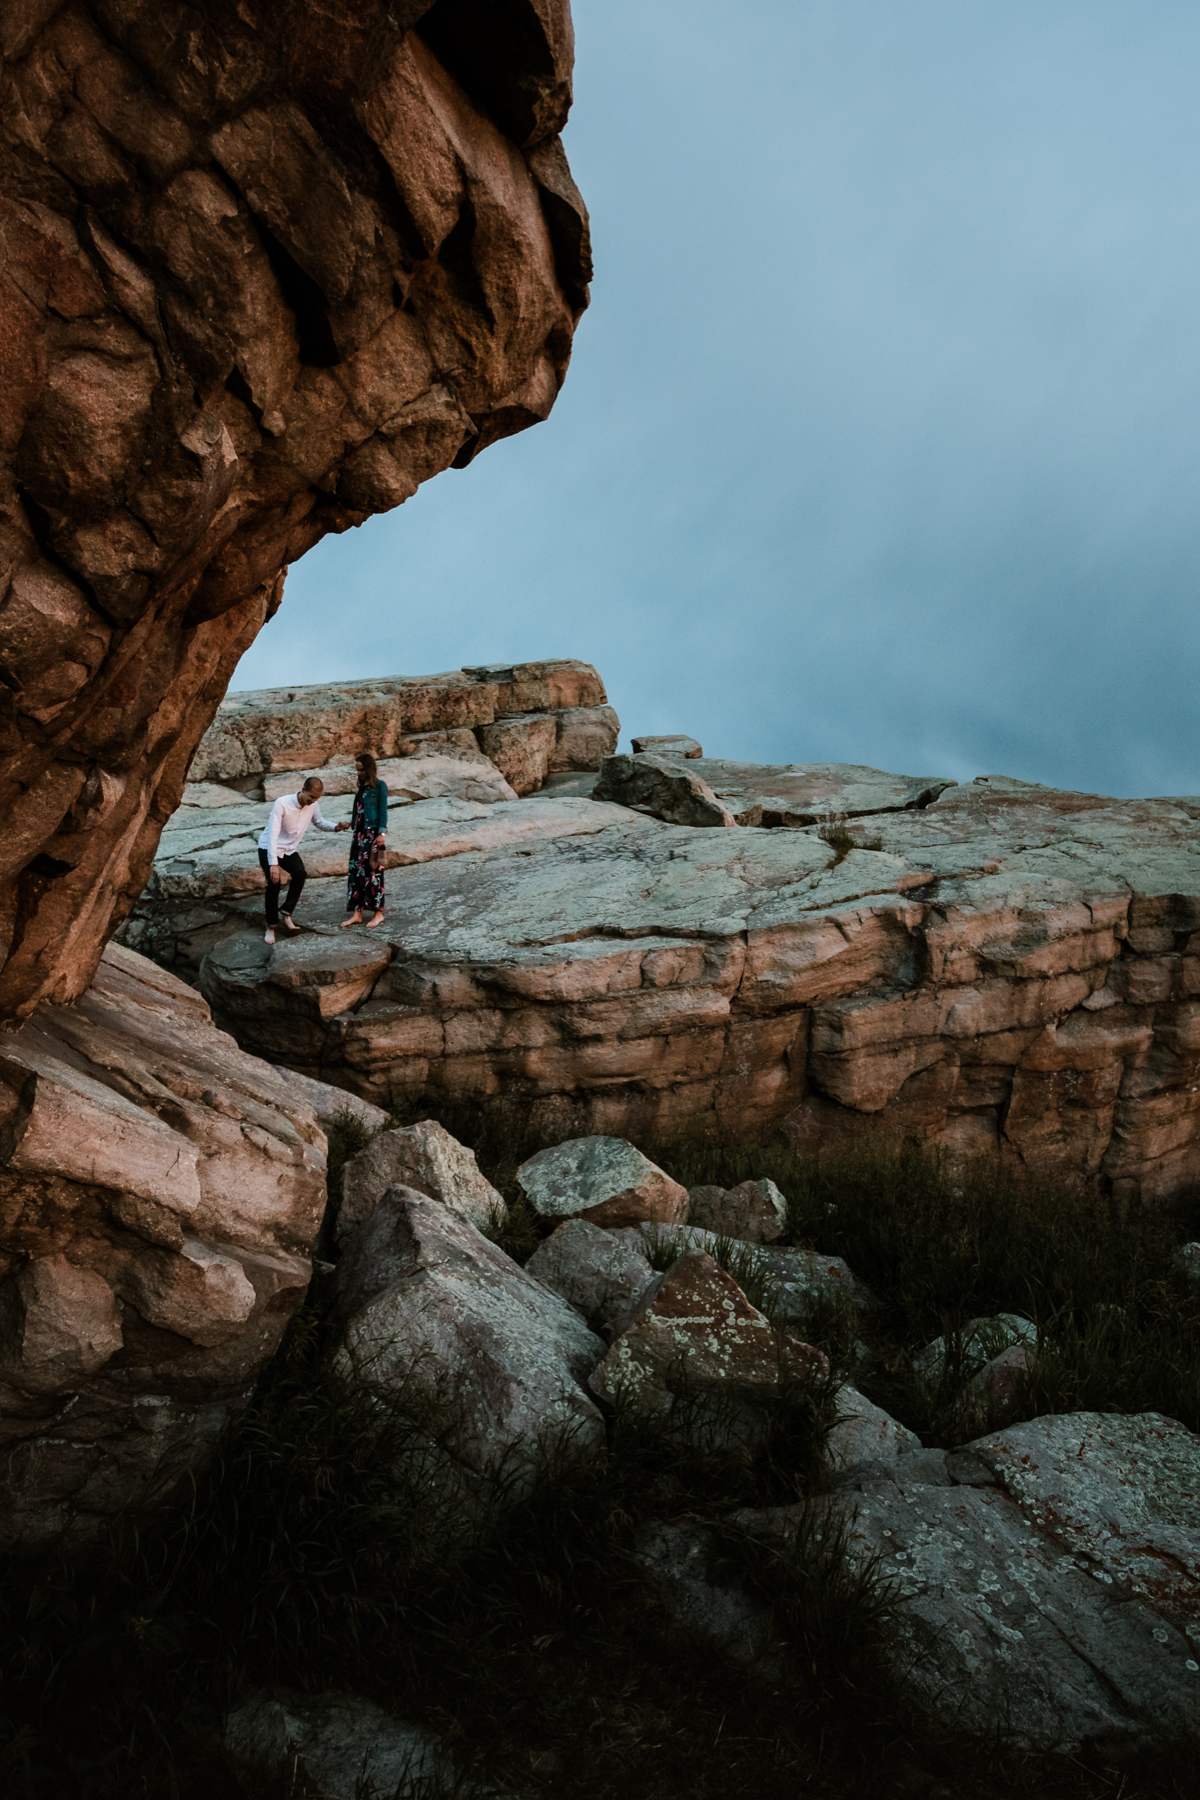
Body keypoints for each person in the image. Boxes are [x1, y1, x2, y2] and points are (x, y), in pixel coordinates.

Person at [257, 776, 347, 945]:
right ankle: (271, 925)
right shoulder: (282, 803)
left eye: (316, 799)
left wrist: (335, 827)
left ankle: (286, 912)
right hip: (269, 848)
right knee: (274, 883)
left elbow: (319, 822)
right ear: (303, 789)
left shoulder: (313, 805)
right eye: (310, 797)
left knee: (300, 874)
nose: (312, 801)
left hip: (290, 850)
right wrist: (273, 864)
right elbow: (273, 835)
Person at [340, 751, 388, 929]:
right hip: (358, 836)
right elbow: (359, 811)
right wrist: (351, 824)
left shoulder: (380, 786)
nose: (358, 773)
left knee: (374, 873)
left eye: (361, 770)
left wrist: (381, 834)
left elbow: (383, 811)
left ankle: (378, 913)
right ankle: (357, 913)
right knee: (356, 874)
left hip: (372, 835)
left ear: (369, 769)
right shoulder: (362, 789)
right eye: (357, 770)